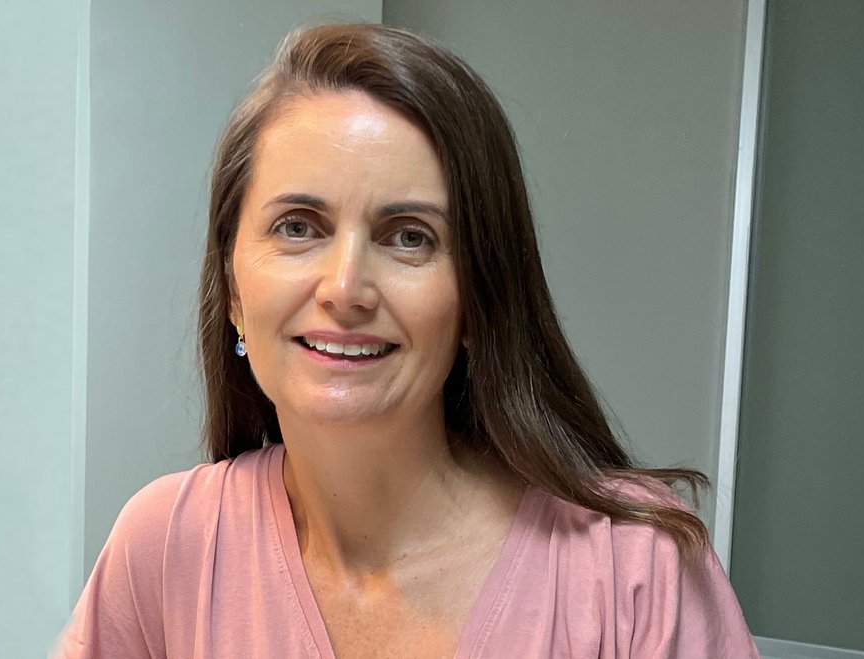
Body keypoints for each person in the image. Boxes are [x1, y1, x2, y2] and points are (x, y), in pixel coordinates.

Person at [52, 22, 759, 659]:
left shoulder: (635, 572)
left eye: (409, 237)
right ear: (234, 288)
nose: (345, 287)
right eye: (299, 226)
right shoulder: (166, 547)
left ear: (481, 299)